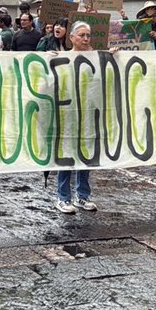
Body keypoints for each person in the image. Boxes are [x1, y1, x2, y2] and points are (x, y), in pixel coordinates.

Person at [55, 21, 104, 215]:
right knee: (66, 156)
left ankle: (82, 196)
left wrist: (115, 57)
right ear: (72, 38)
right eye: (82, 35)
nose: (85, 39)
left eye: (88, 35)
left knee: (86, 155)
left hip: (88, 115)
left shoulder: (96, 59)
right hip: (68, 115)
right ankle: (63, 197)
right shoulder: (62, 58)